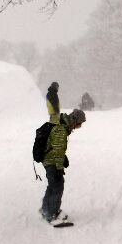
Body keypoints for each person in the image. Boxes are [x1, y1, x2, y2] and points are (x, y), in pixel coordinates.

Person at [40, 82, 86, 223]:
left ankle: (46, 209)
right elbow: (58, 150)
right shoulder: (61, 128)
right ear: (75, 121)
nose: (78, 127)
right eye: (79, 124)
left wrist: (52, 92)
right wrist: (59, 167)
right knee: (58, 185)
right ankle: (52, 215)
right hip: (51, 161)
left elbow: (53, 107)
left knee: (52, 185)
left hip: (47, 158)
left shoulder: (59, 121)